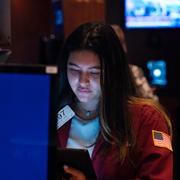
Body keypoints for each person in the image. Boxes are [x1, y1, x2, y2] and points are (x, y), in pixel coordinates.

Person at [57, 22, 173, 179]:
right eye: (74, 70)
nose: (83, 81)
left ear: (113, 72)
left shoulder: (146, 119)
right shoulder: (52, 114)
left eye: (94, 72)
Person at [111, 24, 159, 102]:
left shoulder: (95, 71)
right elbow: (152, 101)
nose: (125, 48)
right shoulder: (133, 71)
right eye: (122, 43)